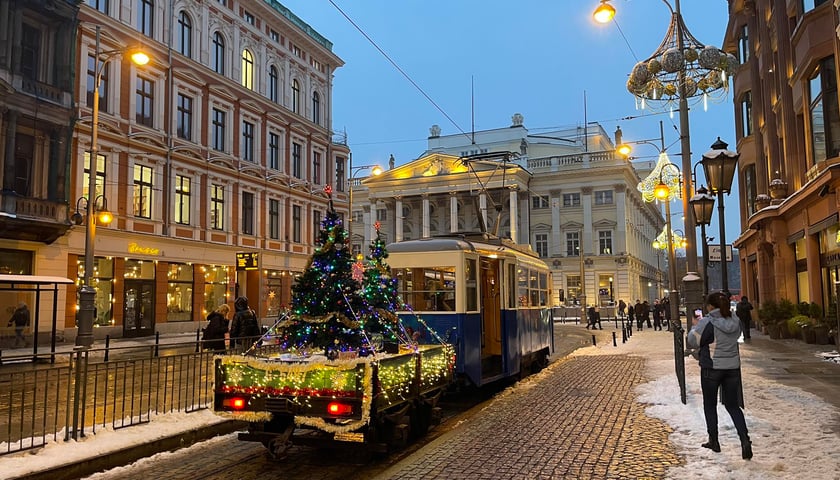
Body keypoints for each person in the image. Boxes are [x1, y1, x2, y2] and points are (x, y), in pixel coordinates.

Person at [687, 291, 753, 460]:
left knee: (710, 405)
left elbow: (693, 341)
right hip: (732, 368)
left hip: (712, 368)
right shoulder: (735, 320)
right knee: (732, 406)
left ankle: (714, 441)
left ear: (710, 306)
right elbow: (737, 336)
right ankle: (745, 440)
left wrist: (695, 326)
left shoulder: (707, 322)